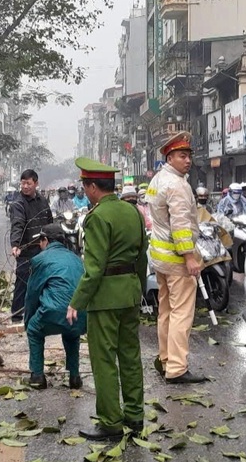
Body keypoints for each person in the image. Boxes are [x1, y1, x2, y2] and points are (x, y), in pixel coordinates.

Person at [67, 158, 147, 439]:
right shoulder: (133, 212)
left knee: (103, 361)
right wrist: (138, 288)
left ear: (91, 187)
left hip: (105, 298)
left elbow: (94, 268)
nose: (85, 190)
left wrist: (76, 301)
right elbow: (142, 258)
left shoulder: (97, 217)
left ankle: (111, 422)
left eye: (85, 185)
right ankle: (135, 416)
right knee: (130, 356)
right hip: (130, 293)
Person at [147, 133, 206, 384]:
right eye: (182, 156)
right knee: (182, 314)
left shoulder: (159, 179)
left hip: (159, 259)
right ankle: (177, 368)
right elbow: (180, 225)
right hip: (176, 260)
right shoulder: (178, 185)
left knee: (166, 311)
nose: (188, 160)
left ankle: (165, 359)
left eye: (189, 156)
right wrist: (190, 257)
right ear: (170, 157)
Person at [24, 223, 87, 390]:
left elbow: (32, 294)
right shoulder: (76, 258)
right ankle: (74, 377)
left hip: (55, 312)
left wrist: (28, 320)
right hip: (80, 315)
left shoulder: (39, 260)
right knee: (71, 333)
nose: (39, 245)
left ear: (45, 240)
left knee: (34, 329)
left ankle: (37, 376)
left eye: (40, 241)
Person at [9, 169, 53, 323]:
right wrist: (15, 244)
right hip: (25, 250)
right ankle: (16, 315)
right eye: (23, 183)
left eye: (28, 183)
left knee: (43, 280)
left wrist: (51, 241)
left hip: (42, 249)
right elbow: (17, 224)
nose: (25, 186)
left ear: (36, 183)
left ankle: (40, 311)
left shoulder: (42, 200)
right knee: (22, 281)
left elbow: (49, 221)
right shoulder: (18, 204)